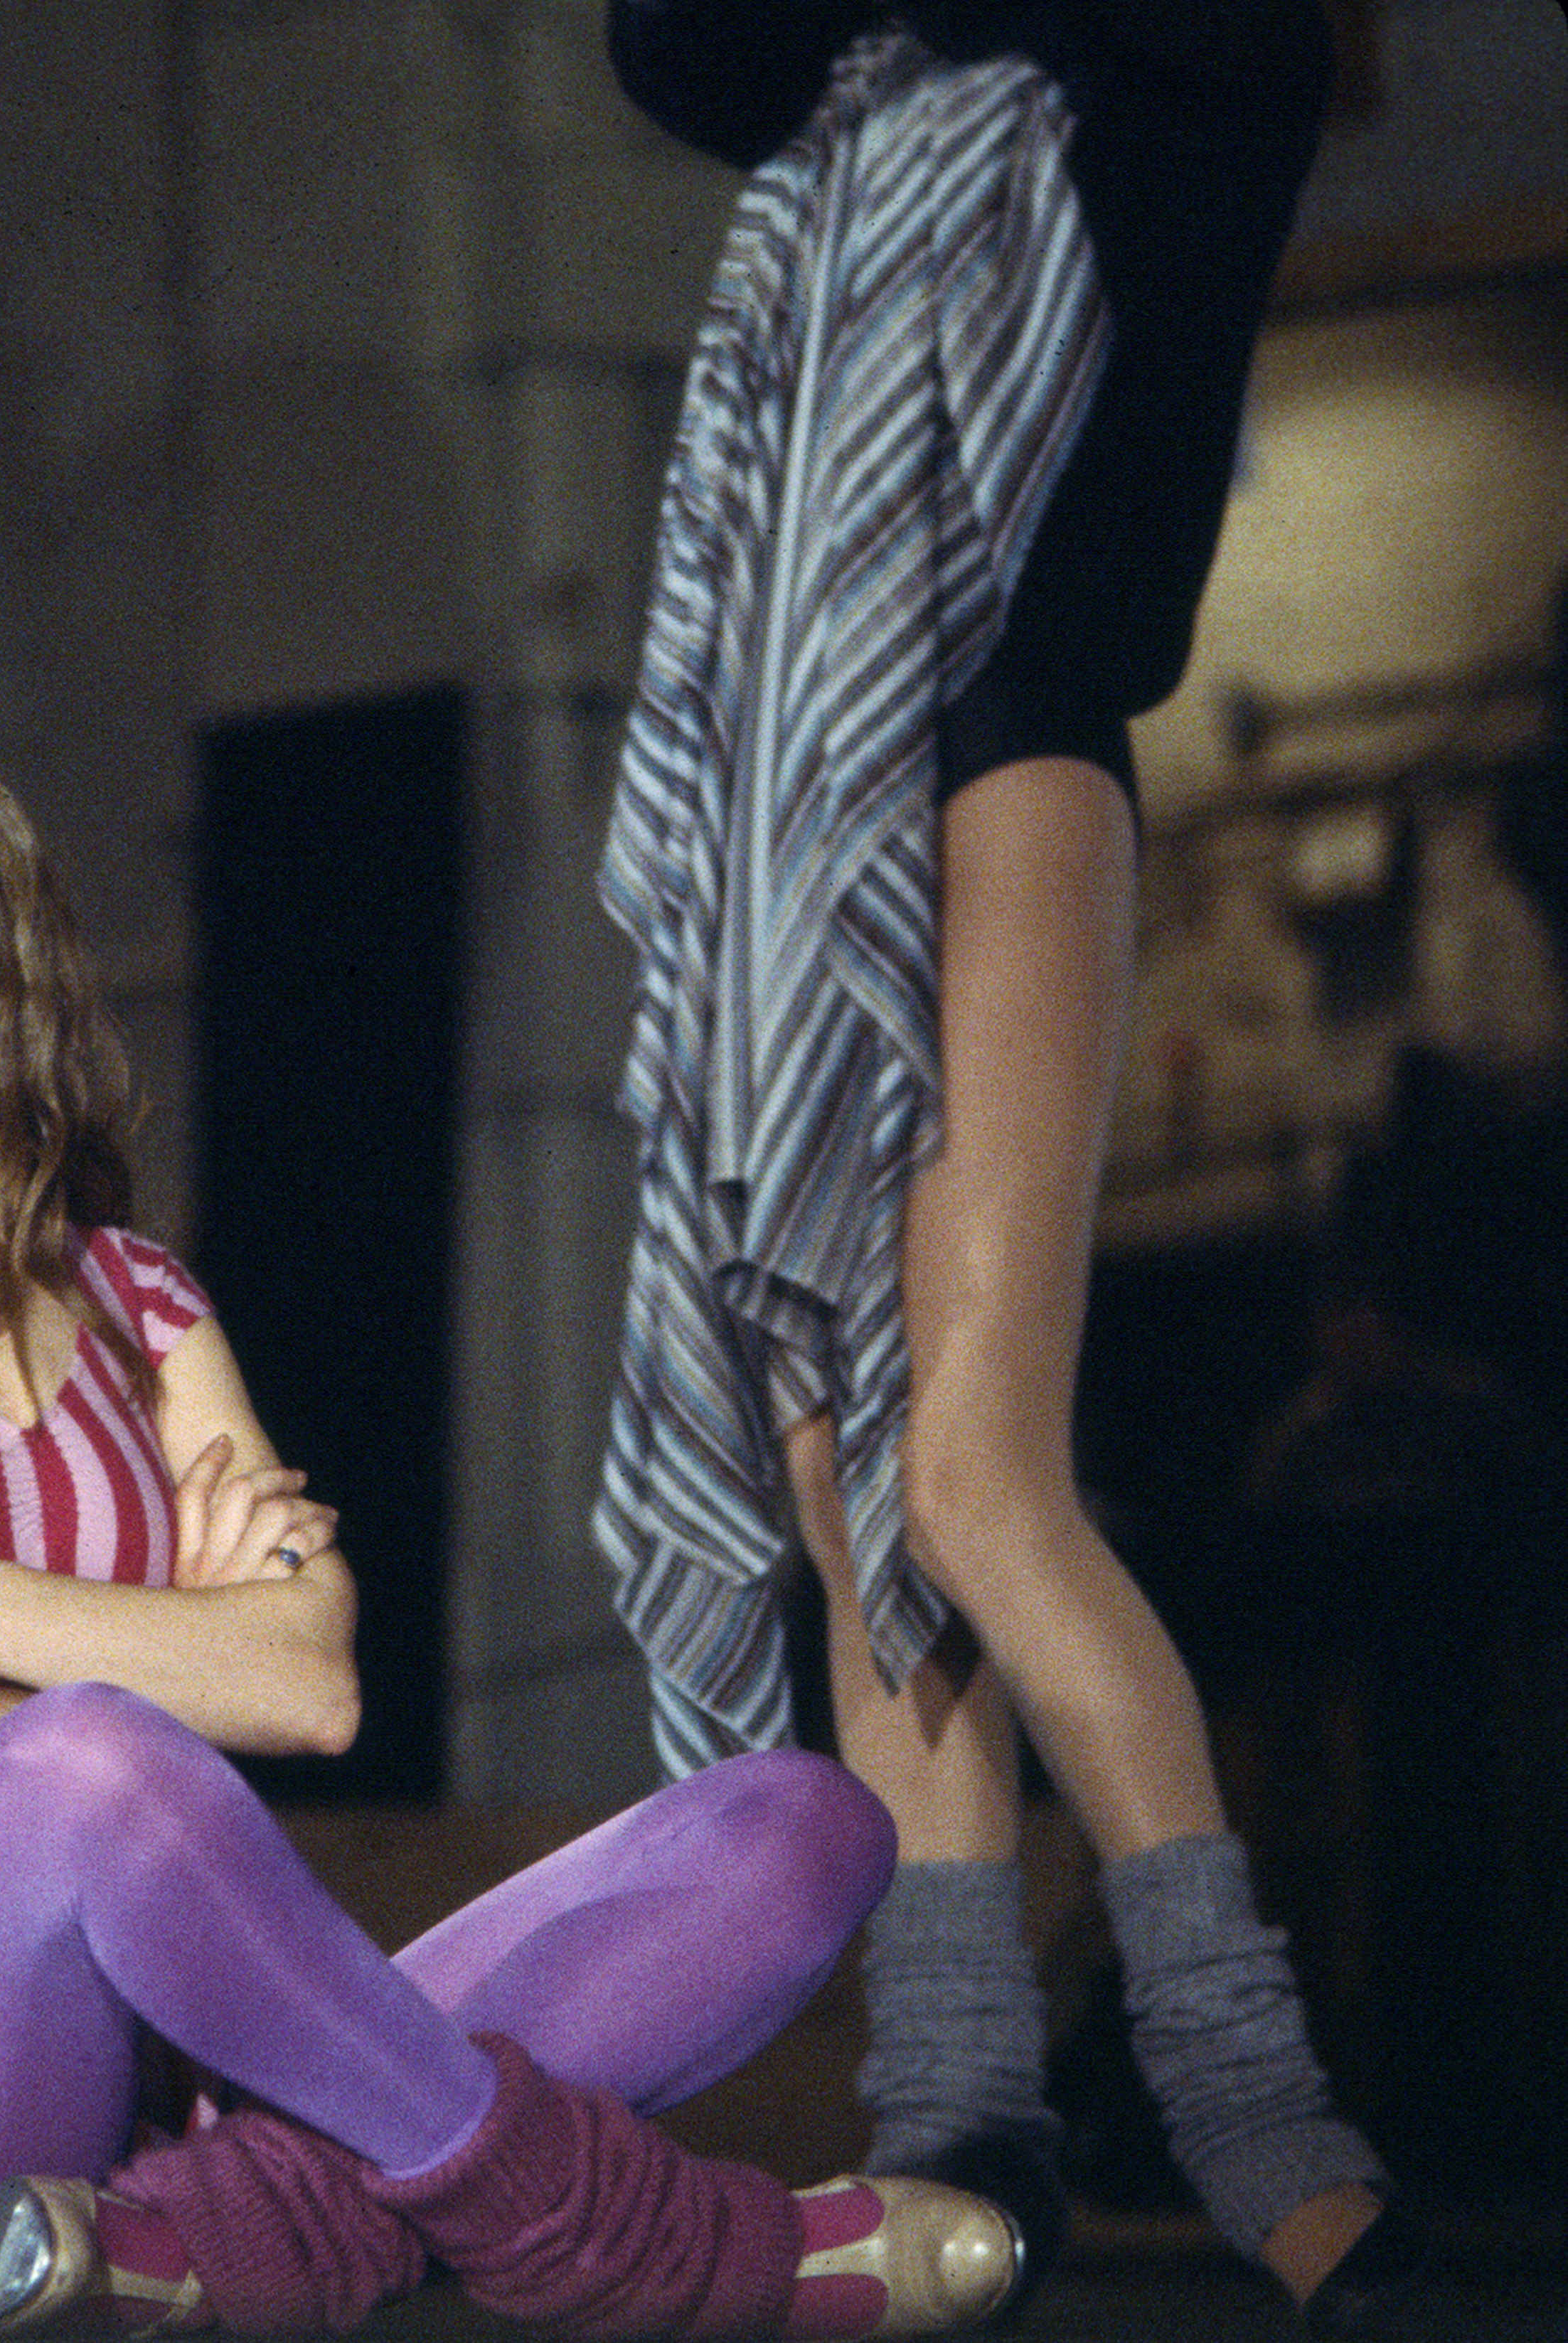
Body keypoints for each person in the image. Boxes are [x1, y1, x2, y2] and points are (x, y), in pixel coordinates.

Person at [0, 629, 1020, 2337]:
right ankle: (607, 2235)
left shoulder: (133, 1296)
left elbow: (314, 1685)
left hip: (198, 2102)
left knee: (801, 1826)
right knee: (86, 1761)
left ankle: (222, 2239)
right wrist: (157, 1705)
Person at [590, 3, 1403, 2327]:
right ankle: (961, 2128)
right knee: (854, 1497)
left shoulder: (1182, 59)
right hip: (792, 786)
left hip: (998, 743)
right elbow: (684, 51)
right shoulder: (845, 81)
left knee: (975, 1482)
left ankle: (1264, 2121)